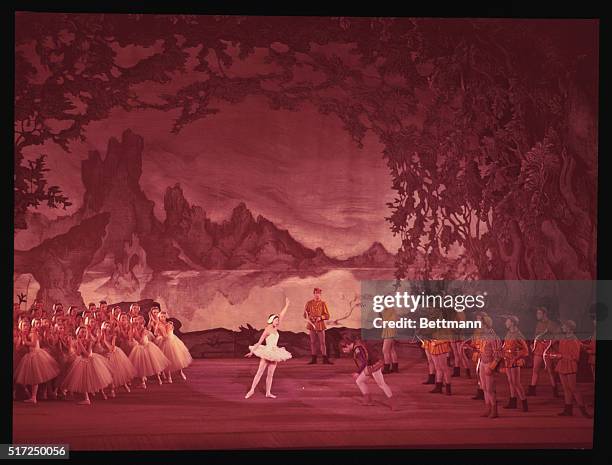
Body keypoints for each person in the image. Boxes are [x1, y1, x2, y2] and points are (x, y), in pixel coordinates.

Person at [245, 297, 292, 399]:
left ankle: (268, 393)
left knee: (270, 374)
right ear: (271, 320)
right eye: (276, 320)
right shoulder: (267, 330)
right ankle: (251, 390)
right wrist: (252, 352)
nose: (278, 321)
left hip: (274, 353)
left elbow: (281, 315)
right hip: (267, 352)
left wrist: (287, 305)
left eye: (278, 320)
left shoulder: (276, 328)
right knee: (260, 372)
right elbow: (259, 342)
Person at [339, 336, 396, 410]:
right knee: (359, 381)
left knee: (381, 384)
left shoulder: (357, 350)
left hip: (374, 365)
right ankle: (368, 400)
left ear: (347, 345)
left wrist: (358, 372)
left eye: (344, 349)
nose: (344, 351)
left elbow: (364, 362)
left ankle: (394, 403)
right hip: (372, 365)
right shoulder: (357, 345)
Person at [61, 326, 114, 404]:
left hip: (90, 360)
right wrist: (79, 343)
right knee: (84, 380)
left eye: (85, 332)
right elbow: (78, 353)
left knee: (96, 378)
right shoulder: (75, 341)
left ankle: (102, 393)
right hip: (81, 361)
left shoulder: (89, 341)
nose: (84, 333)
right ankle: (86, 398)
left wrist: (80, 344)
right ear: (78, 333)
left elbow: (88, 354)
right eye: (82, 332)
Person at [14, 319, 61, 404]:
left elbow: (33, 343)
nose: (26, 327)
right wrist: (21, 339)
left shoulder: (33, 333)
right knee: (30, 377)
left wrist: (24, 340)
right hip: (29, 356)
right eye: (24, 326)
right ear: (20, 327)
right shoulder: (24, 334)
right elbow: (18, 347)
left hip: (36, 355)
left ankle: (34, 396)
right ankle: (32, 395)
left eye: (27, 325)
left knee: (35, 377)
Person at [552, 320, 592, 418]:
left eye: (564, 326)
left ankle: (583, 411)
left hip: (570, 365)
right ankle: (568, 410)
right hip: (562, 364)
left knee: (574, 388)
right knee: (566, 389)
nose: (563, 328)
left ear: (569, 328)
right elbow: (560, 349)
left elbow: (575, 357)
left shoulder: (574, 340)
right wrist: (556, 352)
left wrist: (560, 355)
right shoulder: (563, 338)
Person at [128, 315, 170, 388]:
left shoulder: (144, 329)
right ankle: (143, 383)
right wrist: (132, 328)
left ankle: (159, 379)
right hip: (139, 348)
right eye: (135, 322)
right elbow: (131, 338)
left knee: (154, 363)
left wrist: (134, 329)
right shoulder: (134, 329)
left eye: (138, 322)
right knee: (141, 365)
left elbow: (140, 340)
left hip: (147, 347)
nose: (136, 323)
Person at [528, 306, 560, 397]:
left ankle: (555, 390)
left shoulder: (551, 324)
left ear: (544, 314)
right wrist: (532, 344)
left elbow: (557, 337)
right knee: (535, 369)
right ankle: (532, 389)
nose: (537, 315)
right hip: (538, 349)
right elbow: (536, 336)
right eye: (537, 313)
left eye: (539, 313)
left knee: (550, 371)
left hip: (547, 350)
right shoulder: (538, 324)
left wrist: (549, 343)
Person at [477, 313, 503, 418]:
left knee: (490, 388)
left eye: (481, 324)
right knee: (484, 387)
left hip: (488, 364)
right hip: (483, 362)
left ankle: (494, 410)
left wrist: (492, 367)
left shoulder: (493, 337)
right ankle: (488, 408)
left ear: (485, 324)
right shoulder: (483, 335)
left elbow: (498, 354)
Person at [501, 315, 529, 412]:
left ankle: (524, 402)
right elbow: (506, 346)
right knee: (510, 381)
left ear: (512, 323)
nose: (505, 323)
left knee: (516, 382)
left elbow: (526, 351)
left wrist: (516, 357)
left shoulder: (518, 335)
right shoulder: (508, 333)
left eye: (507, 321)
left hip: (515, 361)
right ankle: (512, 401)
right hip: (508, 360)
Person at [156, 311, 193, 383]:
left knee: (177, 357)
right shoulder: (159, 325)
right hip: (165, 342)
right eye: (161, 317)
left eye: (164, 316)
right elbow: (165, 336)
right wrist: (169, 329)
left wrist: (170, 327)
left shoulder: (168, 323)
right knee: (168, 359)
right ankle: (169, 376)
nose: (163, 318)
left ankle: (180, 372)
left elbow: (170, 332)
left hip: (173, 340)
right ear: (159, 317)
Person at [101, 321, 136, 396]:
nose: (107, 327)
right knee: (108, 373)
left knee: (115, 372)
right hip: (105, 354)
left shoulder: (113, 335)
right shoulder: (101, 335)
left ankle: (113, 390)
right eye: (106, 326)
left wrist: (104, 340)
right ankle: (118, 388)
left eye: (109, 326)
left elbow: (112, 348)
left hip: (114, 354)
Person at [304, 288, 332, 364]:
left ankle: (325, 359)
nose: (317, 295)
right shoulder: (309, 303)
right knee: (313, 342)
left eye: (319, 293)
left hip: (320, 324)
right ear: (314, 294)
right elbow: (305, 315)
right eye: (316, 293)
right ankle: (314, 359)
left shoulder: (323, 303)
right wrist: (310, 317)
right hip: (312, 324)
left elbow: (327, 315)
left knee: (322, 342)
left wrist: (321, 317)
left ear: (320, 294)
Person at [381, 307, 399, 373]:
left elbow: (393, 321)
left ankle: (387, 368)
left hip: (390, 331)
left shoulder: (391, 310)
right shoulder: (389, 310)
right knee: (391, 349)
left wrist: (384, 322)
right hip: (390, 331)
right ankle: (395, 368)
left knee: (385, 350)